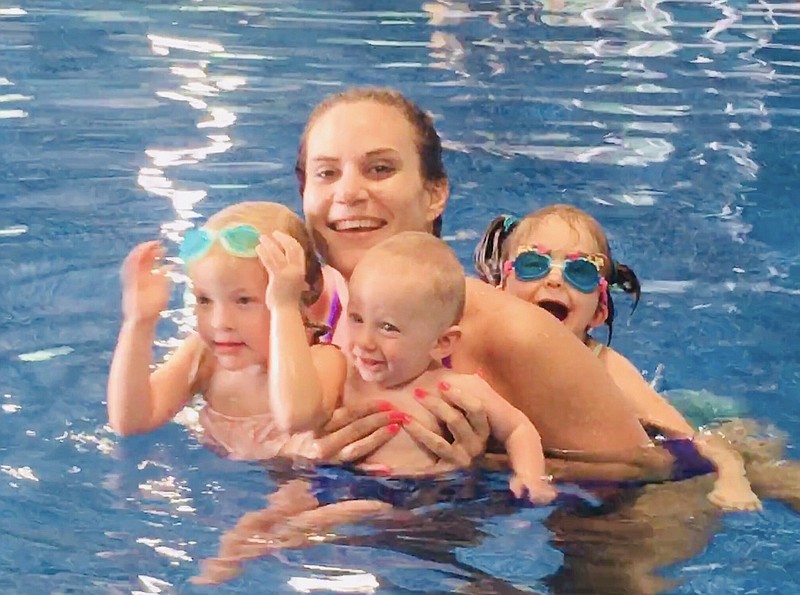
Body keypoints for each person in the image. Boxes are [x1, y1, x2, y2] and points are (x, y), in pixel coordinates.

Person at [292, 86, 675, 483]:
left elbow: (653, 471)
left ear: (435, 195)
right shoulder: (289, 316)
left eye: (380, 169)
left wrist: (486, 471)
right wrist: (289, 451)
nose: (349, 193)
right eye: (327, 173)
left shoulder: (513, 332)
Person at [472, 204, 764, 511]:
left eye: (580, 272)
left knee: (764, 469)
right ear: (500, 290)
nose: (555, 280)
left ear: (599, 312)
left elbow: (694, 442)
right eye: (533, 264)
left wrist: (733, 479)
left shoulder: (605, 368)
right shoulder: (481, 346)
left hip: (646, 450)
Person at [106, 201, 346, 460]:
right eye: (204, 300)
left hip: (298, 481)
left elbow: (297, 417)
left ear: (299, 296)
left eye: (243, 301)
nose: (220, 322)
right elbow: (131, 422)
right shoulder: (204, 357)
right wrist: (138, 323)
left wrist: (284, 307)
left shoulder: (323, 360)